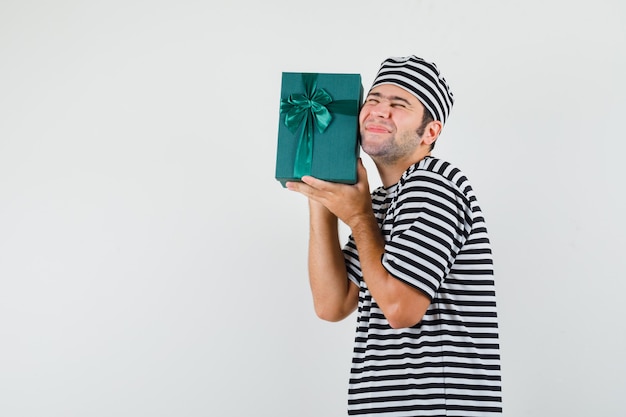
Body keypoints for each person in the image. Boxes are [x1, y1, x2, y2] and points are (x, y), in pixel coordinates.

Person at [286, 55, 502, 416]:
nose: (379, 111)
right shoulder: (381, 202)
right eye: (373, 100)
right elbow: (332, 304)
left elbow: (401, 309)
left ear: (430, 132)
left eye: (399, 104)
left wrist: (357, 216)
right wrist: (320, 194)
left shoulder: (433, 183)